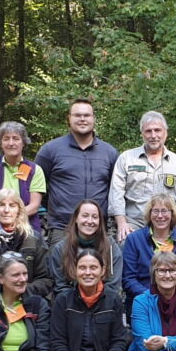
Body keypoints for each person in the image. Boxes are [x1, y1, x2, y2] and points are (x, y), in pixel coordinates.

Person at [35, 98, 120, 247]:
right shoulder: (50, 150)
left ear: (94, 119)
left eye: (87, 115)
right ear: (69, 118)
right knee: (60, 269)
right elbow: (36, 186)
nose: (82, 119)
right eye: (77, 115)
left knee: (99, 270)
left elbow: (116, 190)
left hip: (98, 229)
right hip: (62, 228)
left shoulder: (110, 153)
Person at [110, 111, 176, 241]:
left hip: (169, 226)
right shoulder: (126, 159)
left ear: (166, 132)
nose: (153, 135)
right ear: (142, 133)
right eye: (148, 131)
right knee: (126, 245)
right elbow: (116, 195)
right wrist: (121, 223)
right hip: (134, 225)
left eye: (157, 130)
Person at [121, 194, 176, 303]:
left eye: (165, 211)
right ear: (149, 214)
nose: (160, 216)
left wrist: (172, 298)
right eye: (155, 211)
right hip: (144, 302)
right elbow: (128, 279)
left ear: (172, 214)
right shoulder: (134, 240)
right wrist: (152, 298)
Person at [48, 199, 124, 301]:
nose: (90, 221)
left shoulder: (111, 247)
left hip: (104, 305)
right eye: (85, 216)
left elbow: (113, 286)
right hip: (71, 306)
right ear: (76, 219)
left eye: (95, 217)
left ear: (100, 221)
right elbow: (60, 286)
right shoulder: (61, 248)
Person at [0, 121, 46, 232]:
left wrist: (11, 221)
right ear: (1, 143)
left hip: (27, 228)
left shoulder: (35, 170)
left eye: (16, 138)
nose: (11, 143)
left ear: (23, 142)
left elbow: (34, 205)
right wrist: (2, 221)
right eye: (6, 139)